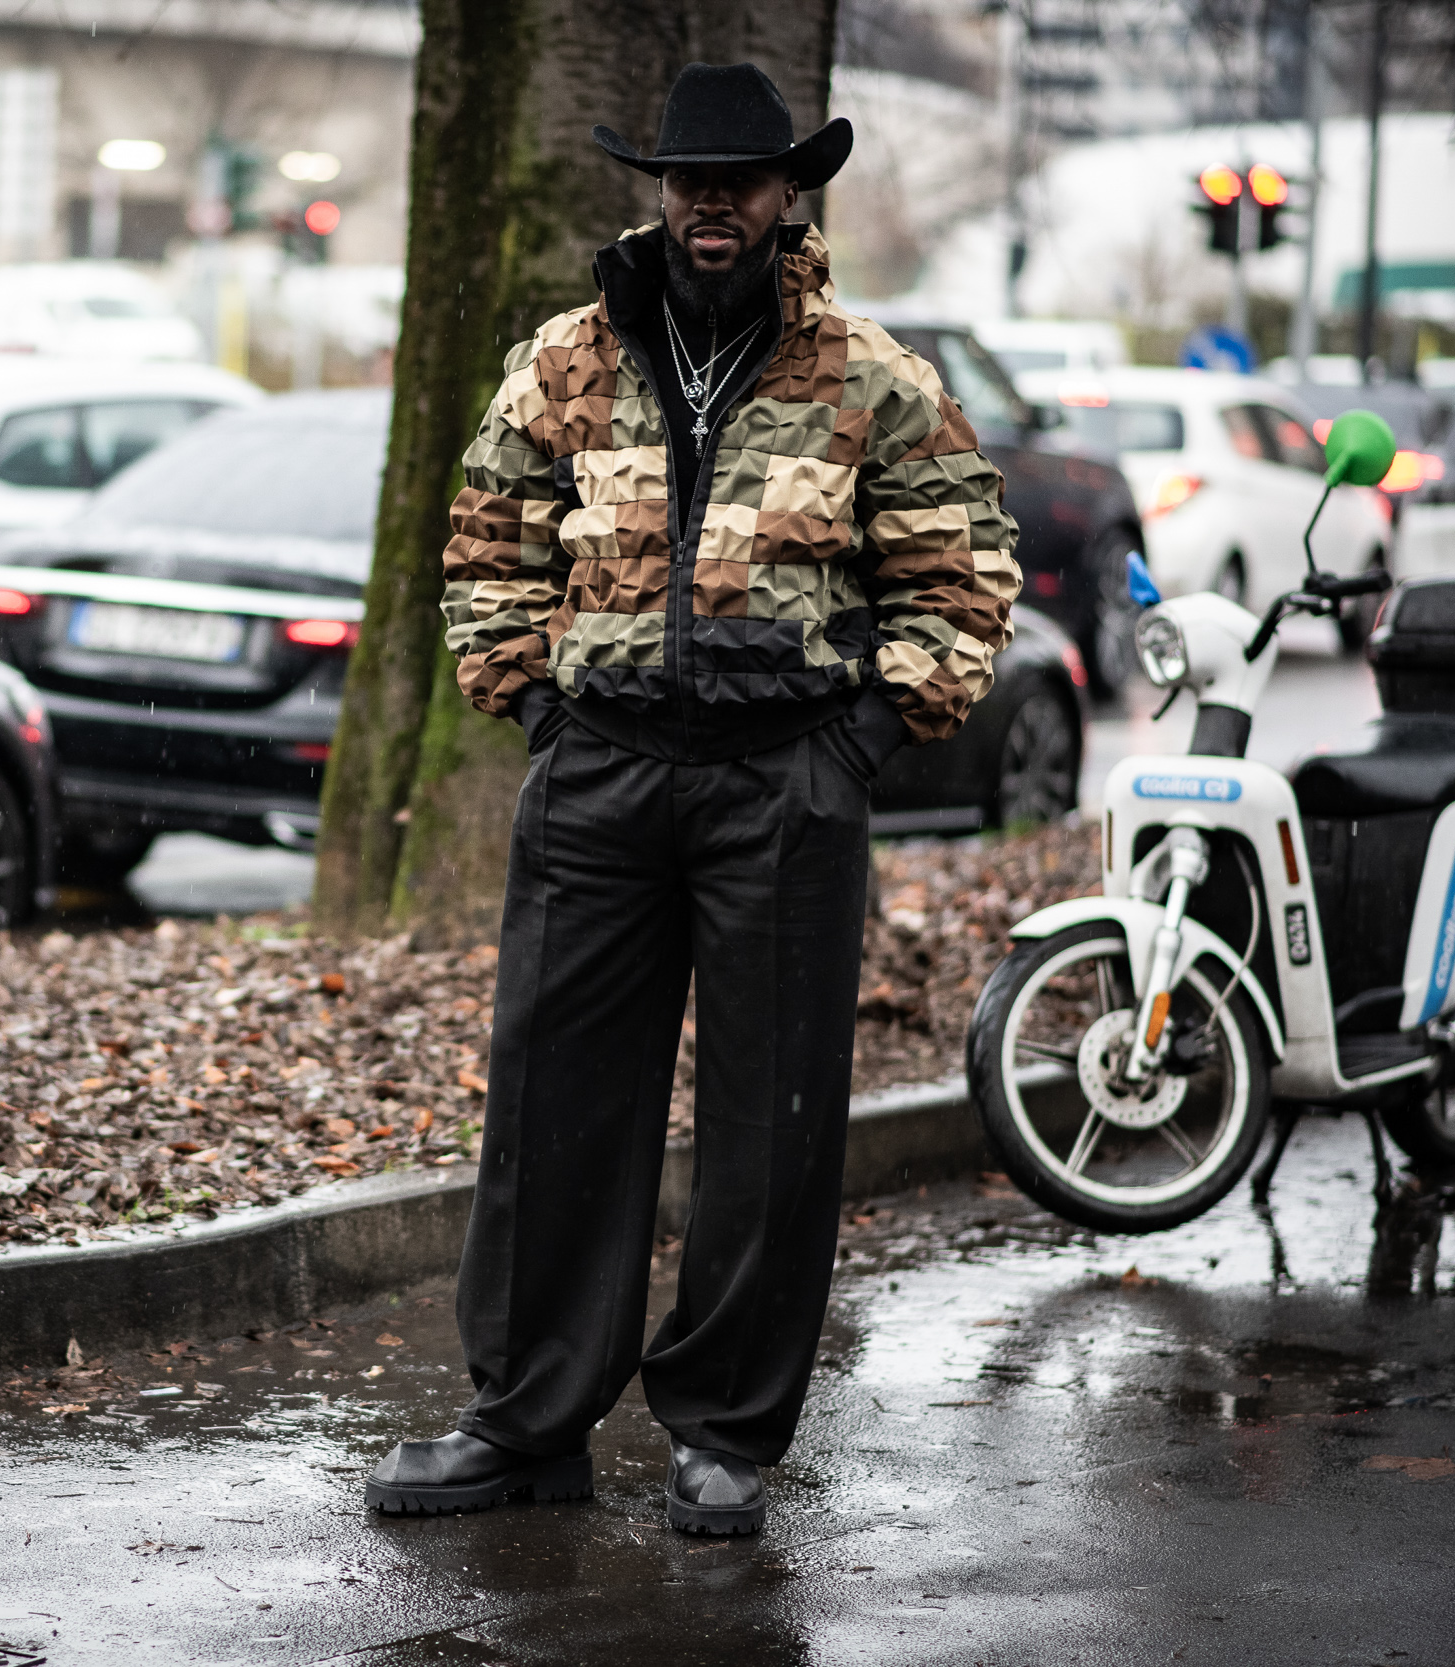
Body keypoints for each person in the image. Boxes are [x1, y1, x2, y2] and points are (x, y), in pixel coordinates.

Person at [366, 61, 1018, 1537]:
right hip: (599, 774)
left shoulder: (870, 375)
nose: (710, 202)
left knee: (771, 1120)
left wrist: (857, 743)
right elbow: (484, 540)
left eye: (740, 179)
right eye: (687, 179)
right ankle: (525, 1419)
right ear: (658, 192)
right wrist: (531, 701)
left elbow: (965, 575)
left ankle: (725, 1428)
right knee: (552, 1101)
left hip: (783, 785)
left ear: (790, 193)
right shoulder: (567, 361)